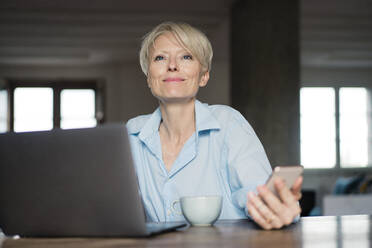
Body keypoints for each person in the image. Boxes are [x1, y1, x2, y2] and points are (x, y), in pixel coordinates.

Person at [126, 21, 302, 230]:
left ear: (204, 76)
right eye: (160, 57)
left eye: (186, 57)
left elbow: (254, 188)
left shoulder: (228, 123)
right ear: (149, 77)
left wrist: (272, 206)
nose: (172, 65)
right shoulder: (132, 133)